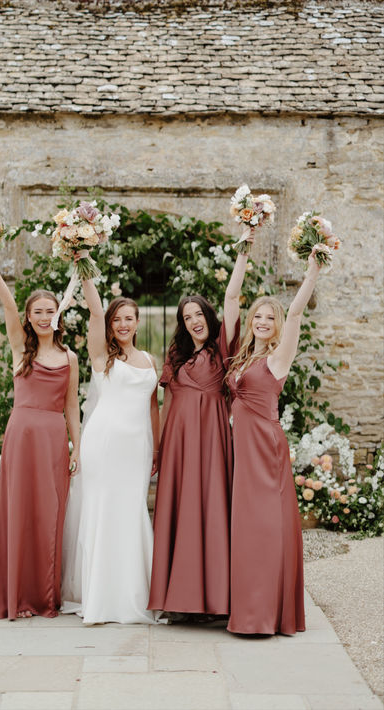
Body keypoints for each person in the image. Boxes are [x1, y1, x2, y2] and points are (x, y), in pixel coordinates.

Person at [147, 233, 254, 618]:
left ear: (209, 317)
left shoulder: (223, 349)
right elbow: (165, 400)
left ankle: (213, 600)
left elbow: (231, 297)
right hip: (178, 442)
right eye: (186, 317)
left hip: (211, 440)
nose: (194, 322)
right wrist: (159, 449)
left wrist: (243, 249)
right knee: (178, 512)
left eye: (198, 315)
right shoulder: (175, 354)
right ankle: (178, 600)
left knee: (211, 509)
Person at [224, 246, 323, 635]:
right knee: (246, 526)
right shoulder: (241, 357)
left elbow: (296, 312)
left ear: (277, 325)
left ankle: (263, 615)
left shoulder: (278, 358)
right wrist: (244, 248)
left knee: (264, 525)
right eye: (258, 317)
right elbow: (231, 297)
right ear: (251, 322)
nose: (263, 321)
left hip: (265, 446)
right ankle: (248, 610)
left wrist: (312, 272)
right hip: (243, 448)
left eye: (270, 318)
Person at [0, 242, 80, 620]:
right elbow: (6, 303)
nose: (43, 317)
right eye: (37, 311)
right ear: (28, 316)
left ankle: (43, 597)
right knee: (20, 512)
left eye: (49, 311)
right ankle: (16, 596)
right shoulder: (21, 348)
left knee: (49, 514)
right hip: (22, 436)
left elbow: (72, 406)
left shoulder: (69, 357)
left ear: (58, 315)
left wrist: (76, 448)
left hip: (54, 439)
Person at [61, 274, 160, 624]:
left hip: (136, 447)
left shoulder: (149, 360)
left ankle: (135, 593)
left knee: (131, 509)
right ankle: (100, 599)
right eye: (116, 319)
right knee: (103, 510)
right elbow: (95, 311)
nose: (122, 324)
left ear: (137, 322)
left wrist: (157, 448)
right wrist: (84, 266)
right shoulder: (102, 356)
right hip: (103, 443)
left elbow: (153, 408)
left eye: (128, 318)